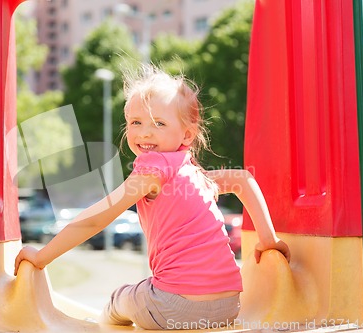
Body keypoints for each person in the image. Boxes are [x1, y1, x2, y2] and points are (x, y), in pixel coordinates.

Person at [14, 65, 290, 330]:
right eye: (136, 122)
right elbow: (243, 179)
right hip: (228, 305)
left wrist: (42, 256)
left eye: (159, 123)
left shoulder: (152, 169)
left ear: (187, 133)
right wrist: (269, 241)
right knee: (146, 290)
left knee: (119, 299)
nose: (145, 132)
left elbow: (100, 216)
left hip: (175, 306)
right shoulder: (195, 175)